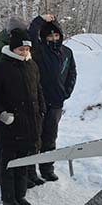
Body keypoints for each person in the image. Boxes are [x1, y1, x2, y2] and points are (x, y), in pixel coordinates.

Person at [0, 29, 45, 205]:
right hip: (11, 125)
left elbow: (38, 89)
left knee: (24, 162)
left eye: (27, 49)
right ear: (13, 48)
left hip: (30, 123)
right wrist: (2, 114)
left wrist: (41, 110)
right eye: (21, 49)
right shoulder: (1, 67)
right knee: (9, 162)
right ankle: (9, 198)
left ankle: (21, 195)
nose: (25, 52)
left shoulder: (32, 66)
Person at [0, 17, 33, 189]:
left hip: (22, 104)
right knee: (1, 141)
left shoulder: (24, 48)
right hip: (3, 103)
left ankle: (19, 176)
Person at [27, 14, 77, 184]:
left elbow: (72, 73)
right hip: (40, 102)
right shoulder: (38, 50)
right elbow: (31, 34)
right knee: (36, 137)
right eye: (50, 35)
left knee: (50, 137)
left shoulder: (67, 52)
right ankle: (31, 170)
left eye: (56, 35)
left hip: (56, 102)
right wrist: (41, 20)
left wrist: (66, 92)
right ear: (44, 37)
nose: (54, 38)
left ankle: (47, 168)